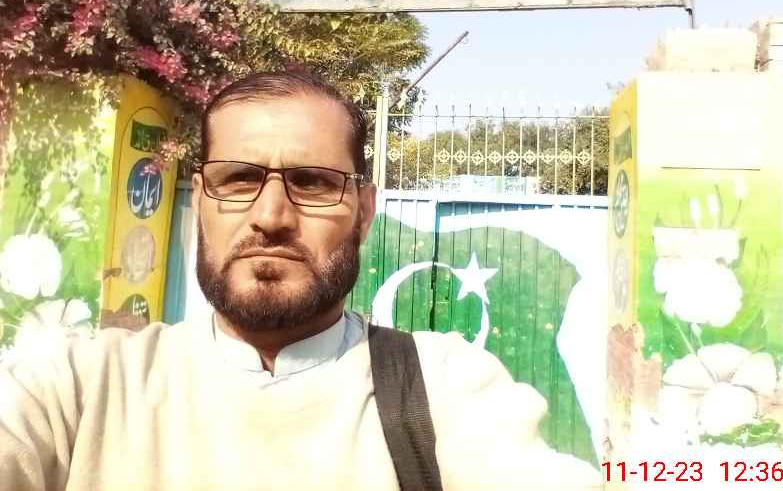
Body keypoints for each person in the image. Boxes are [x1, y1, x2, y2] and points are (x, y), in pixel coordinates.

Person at [0, 70, 600, 490]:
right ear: (201, 201)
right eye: (238, 178)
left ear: (364, 211)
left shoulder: (444, 389)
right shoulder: (77, 387)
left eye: (313, 183)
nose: (271, 216)